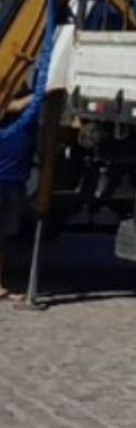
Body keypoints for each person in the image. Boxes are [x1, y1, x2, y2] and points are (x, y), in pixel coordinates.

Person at [0, 91, 37, 301]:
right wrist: (39, 94)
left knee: (3, 236)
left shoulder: (24, 121)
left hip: (15, 182)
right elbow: (11, 106)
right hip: (5, 180)